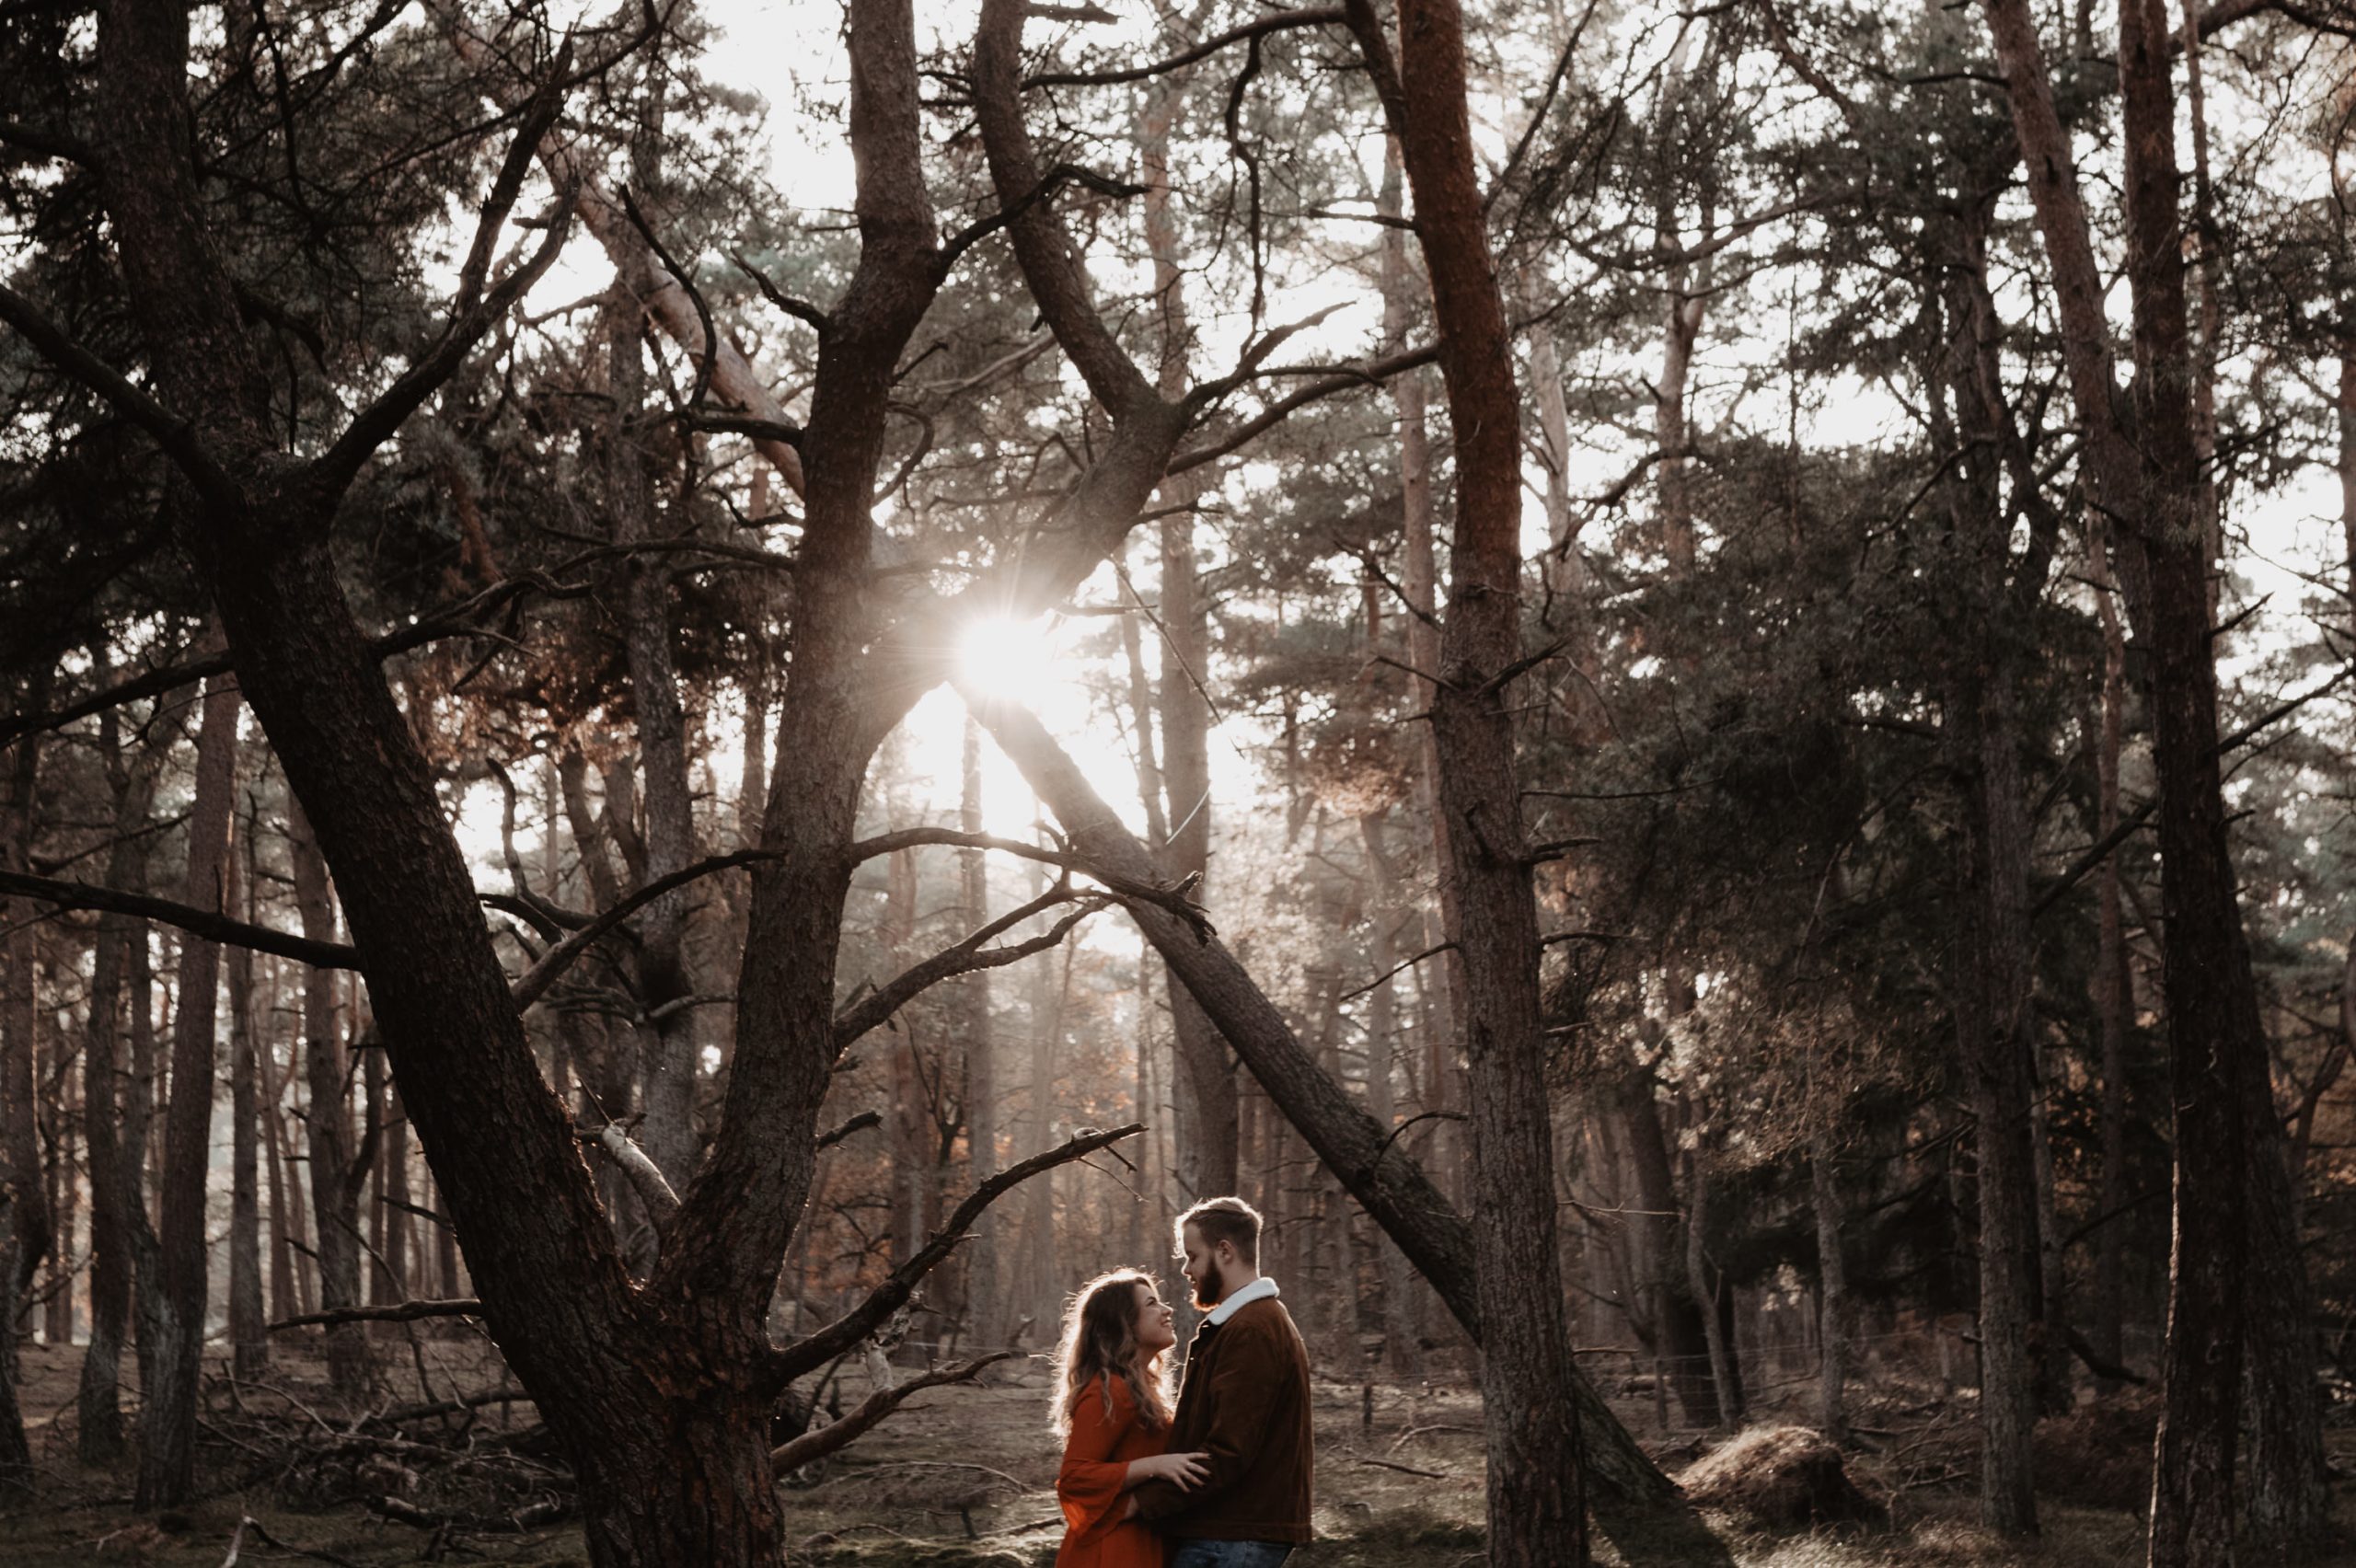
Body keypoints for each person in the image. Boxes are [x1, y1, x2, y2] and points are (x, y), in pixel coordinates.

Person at [1127, 1196, 1314, 1568]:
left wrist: (1140, 1503)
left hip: (1231, 1537)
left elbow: (1229, 1451)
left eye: (1192, 1256)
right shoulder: (1248, 1324)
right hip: (1230, 1532)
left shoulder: (1251, 1330)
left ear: (1224, 1251)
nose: (1185, 1269)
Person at [1054, 1268, 1209, 1568]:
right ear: (1122, 1323)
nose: (1167, 1309)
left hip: (1142, 1540)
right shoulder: (1110, 1390)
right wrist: (1154, 1467)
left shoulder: (1140, 1389)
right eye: (1152, 1304)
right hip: (1111, 1551)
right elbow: (1075, 1477)